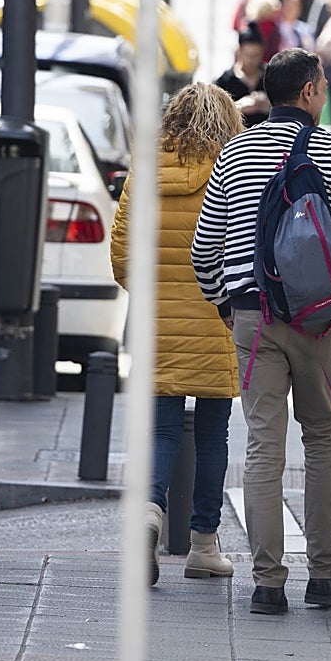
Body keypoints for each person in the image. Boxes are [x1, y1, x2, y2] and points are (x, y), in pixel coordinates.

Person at [192, 48, 331, 615]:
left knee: (263, 447)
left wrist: (227, 304)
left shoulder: (234, 151)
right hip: (317, 320)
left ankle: (267, 583)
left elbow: (204, 249)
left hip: (253, 318)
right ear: (311, 91)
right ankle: (324, 576)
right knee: (323, 438)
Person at [110, 83, 244, 587]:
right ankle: (204, 544)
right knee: (213, 434)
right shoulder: (233, 167)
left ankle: (149, 512)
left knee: (161, 431)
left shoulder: (146, 165)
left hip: (159, 323)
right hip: (218, 320)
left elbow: (121, 251)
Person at [214, 23, 270, 128]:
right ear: (239, 51)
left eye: (256, 55)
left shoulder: (271, 77)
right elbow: (214, 115)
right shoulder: (225, 81)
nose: (251, 60)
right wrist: (238, 107)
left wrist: (267, 105)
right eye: (248, 55)